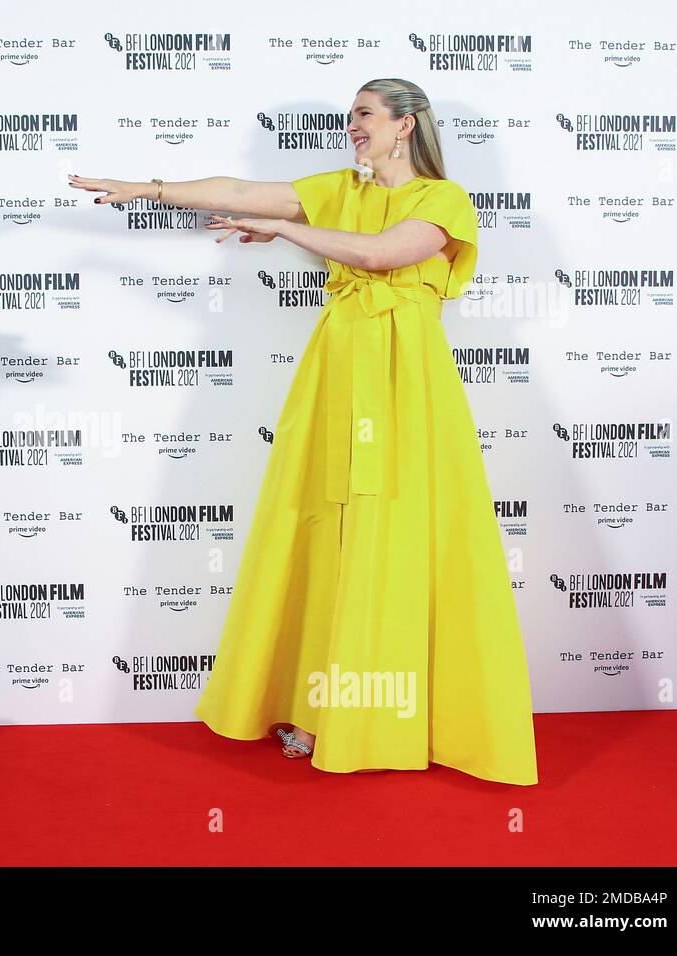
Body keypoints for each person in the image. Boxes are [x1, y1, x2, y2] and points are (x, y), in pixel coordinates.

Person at [70, 78, 538, 785]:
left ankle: (404, 719)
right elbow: (236, 191)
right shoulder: (341, 189)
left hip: (406, 380)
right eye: (350, 115)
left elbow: (383, 254)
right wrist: (148, 187)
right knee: (326, 527)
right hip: (338, 368)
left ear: (405, 125)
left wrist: (288, 229)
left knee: (401, 530)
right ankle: (327, 707)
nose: (352, 126)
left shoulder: (443, 199)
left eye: (364, 115)